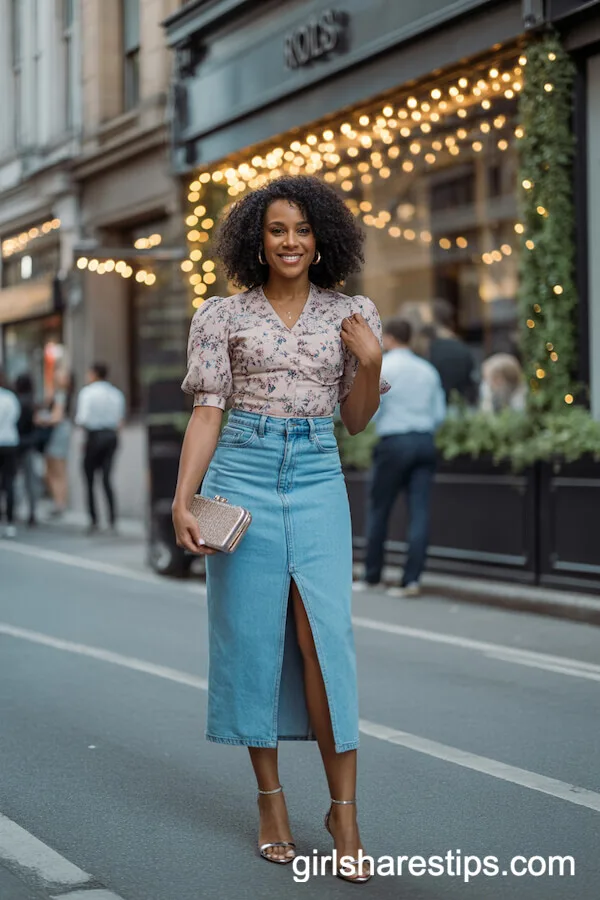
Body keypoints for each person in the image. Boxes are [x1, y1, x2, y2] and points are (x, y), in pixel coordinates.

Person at [172, 175, 388, 882]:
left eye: (302, 229)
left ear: (321, 236)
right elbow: (208, 411)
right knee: (252, 637)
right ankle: (270, 800)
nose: (291, 241)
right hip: (242, 473)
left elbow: (354, 421)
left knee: (323, 640)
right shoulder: (221, 316)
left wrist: (372, 362)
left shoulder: (353, 313)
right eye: (276, 230)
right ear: (256, 241)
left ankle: (344, 814)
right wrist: (184, 498)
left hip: (319, 472)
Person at [357, 318, 446, 597]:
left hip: (394, 442)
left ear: (390, 338)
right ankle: (412, 580)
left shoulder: (385, 367)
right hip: (425, 440)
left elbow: (373, 408)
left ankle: (372, 576)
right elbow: (439, 414)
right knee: (419, 511)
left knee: (379, 509)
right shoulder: (428, 370)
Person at [74, 363, 125, 534]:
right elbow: (120, 420)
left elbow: (82, 418)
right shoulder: (116, 394)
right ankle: (112, 519)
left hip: (94, 436)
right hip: (111, 436)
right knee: (107, 478)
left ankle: (94, 519)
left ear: (94, 374)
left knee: (89, 479)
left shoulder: (87, 393)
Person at [36, 368, 74, 518]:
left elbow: (56, 417)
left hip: (57, 434)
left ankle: (59, 503)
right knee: (55, 470)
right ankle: (59, 502)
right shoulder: (60, 394)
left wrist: (42, 419)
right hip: (59, 433)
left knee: (56, 470)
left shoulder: (60, 396)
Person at [428, 298, 478, 404]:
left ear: (432, 318)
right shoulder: (462, 347)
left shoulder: (431, 347)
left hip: (438, 403)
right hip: (461, 403)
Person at [14, 373, 39, 526]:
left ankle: (15, 510)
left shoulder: (16, 402)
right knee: (30, 480)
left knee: (15, 479)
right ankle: (32, 511)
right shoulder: (32, 403)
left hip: (16, 444)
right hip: (30, 444)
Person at [0, 369, 21, 539]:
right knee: (9, 483)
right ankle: (10, 521)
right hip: (9, 442)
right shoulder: (10, 397)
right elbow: (16, 417)